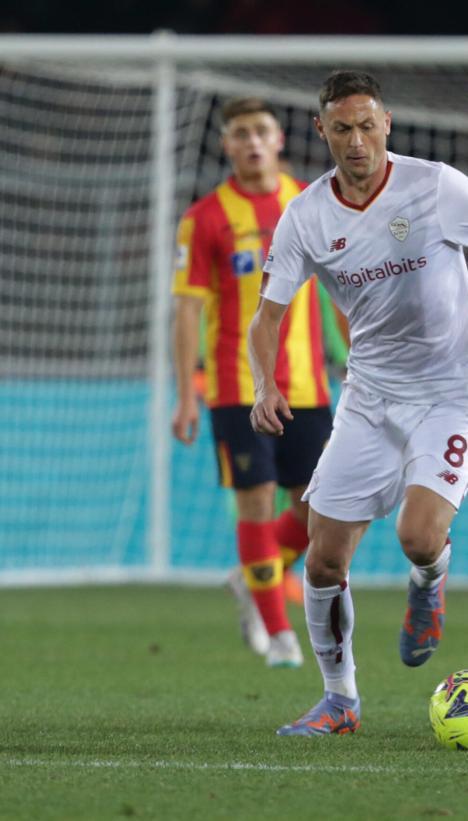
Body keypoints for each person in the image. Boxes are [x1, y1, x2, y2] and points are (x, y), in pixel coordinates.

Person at [251, 70, 468, 736]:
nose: (356, 141)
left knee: (418, 536)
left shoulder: (436, 186)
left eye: (367, 126)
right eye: (342, 129)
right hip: (369, 397)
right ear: (322, 132)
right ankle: (340, 700)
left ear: (386, 123)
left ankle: (430, 579)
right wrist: (264, 381)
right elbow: (267, 315)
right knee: (323, 556)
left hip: (453, 390)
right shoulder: (306, 214)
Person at [172, 97, 331, 669]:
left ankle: (251, 578)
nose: (253, 142)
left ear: (280, 139)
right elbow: (187, 309)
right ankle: (280, 634)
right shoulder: (205, 218)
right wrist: (185, 392)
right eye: (241, 133)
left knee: (320, 514)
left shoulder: (312, 204)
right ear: (227, 144)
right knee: (257, 503)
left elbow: (341, 287)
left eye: (262, 131)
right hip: (237, 386)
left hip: (309, 387)